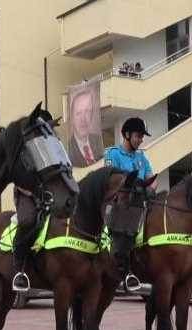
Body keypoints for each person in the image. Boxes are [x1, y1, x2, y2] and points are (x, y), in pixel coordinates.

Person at [104, 117, 156, 291]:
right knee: (127, 227)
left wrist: (150, 187)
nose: (141, 140)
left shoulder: (141, 157)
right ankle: (127, 271)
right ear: (127, 135)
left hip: (142, 200)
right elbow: (112, 179)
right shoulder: (113, 154)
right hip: (121, 203)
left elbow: (151, 178)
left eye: (142, 137)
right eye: (138, 136)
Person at [67, 88, 103, 167]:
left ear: (92, 115)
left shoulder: (98, 141)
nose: (83, 119)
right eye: (78, 113)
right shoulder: (68, 148)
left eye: (87, 111)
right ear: (72, 118)